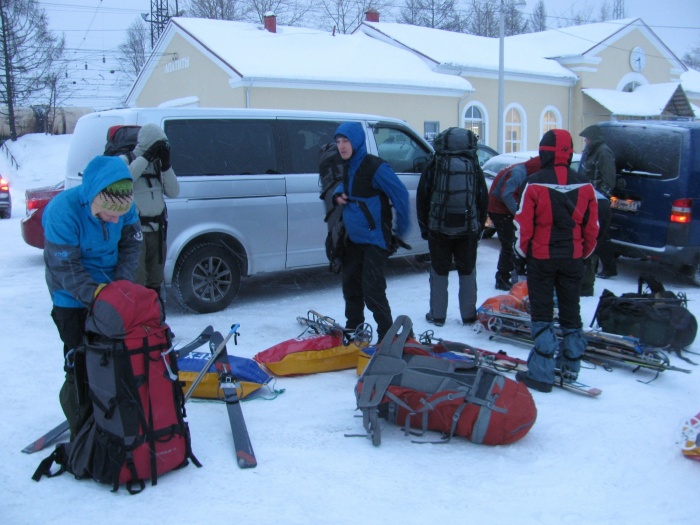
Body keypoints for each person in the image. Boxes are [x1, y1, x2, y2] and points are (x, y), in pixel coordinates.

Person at [43, 156, 142, 437]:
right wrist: (97, 296)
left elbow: (131, 246)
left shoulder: (124, 207)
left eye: (120, 216)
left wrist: (121, 286)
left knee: (114, 357)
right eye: (109, 214)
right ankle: (83, 421)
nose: (115, 220)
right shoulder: (63, 211)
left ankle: (114, 417)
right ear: (92, 199)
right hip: (70, 296)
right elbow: (66, 267)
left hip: (111, 288)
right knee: (80, 359)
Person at [513, 129, 598, 393]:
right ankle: (570, 367)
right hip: (572, 258)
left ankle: (541, 373)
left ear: (544, 151)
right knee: (571, 312)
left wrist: (522, 253)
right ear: (570, 152)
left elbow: (523, 225)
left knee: (542, 312)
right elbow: (592, 227)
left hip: (541, 257)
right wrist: (582, 254)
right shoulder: (584, 184)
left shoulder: (535, 183)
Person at [332, 122, 410, 342]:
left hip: (375, 238)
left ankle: (388, 336)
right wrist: (338, 194)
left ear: (356, 141)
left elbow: (400, 194)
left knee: (373, 290)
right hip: (354, 238)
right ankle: (354, 329)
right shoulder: (348, 165)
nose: (341, 146)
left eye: (346, 141)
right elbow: (347, 186)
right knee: (351, 287)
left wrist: (399, 230)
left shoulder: (375, 167)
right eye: (338, 142)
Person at [417, 128, 488, 326]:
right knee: (467, 271)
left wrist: (425, 226)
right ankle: (468, 315)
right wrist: (479, 225)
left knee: (439, 271)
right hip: (467, 229)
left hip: (439, 228)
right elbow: (482, 197)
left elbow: (423, 196)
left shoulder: (435, 164)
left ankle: (437, 315)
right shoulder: (473, 165)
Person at [126, 124, 180, 296]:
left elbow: (173, 192)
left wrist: (166, 165)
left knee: (155, 279)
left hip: (157, 230)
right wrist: (146, 157)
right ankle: (139, 317)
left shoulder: (158, 165)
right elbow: (126, 179)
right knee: (138, 279)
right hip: (135, 233)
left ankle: (156, 314)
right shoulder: (126, 160)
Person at [487, 156, 540, 291]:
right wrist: (519, 212)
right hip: (499, 210)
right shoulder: (519, 172)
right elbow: (506, 194)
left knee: (511, 242)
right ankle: (502, 277)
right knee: (509, 243)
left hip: (501, 209)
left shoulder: (522, 169)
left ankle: (509, 274)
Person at [579, 124, 617, 280]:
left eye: (587, 139)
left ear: (593, 139)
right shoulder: (591, 152)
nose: (585, 141)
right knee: (597, 234)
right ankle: (598, 267)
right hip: (590, 198)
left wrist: (601, 196)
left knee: (599, 235)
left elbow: (608, 178)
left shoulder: (603, 152)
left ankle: (607, 267)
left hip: (597, 200)